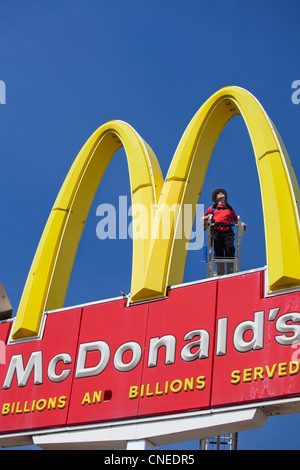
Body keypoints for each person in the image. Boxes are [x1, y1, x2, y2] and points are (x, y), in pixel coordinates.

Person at [201, 188, 243, 275]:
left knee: (229, 248)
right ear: (216, 199)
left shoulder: (229, 209)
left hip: (227, 232)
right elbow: (202, 220)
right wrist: (208, 216)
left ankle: (230, 270)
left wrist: (242, 225)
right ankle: (221, 270)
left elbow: (236, 221)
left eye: (221, 193)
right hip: (216, 231)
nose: (220, 193)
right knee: (218, 250)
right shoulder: (212, 208)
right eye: (218, 193)